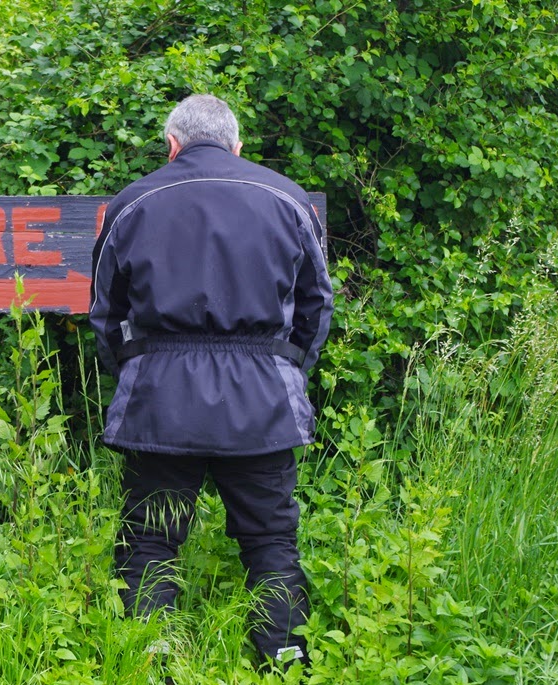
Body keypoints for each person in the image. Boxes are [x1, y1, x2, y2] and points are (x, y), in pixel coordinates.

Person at [88, 94, 333, 670]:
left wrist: (140, 371)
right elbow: (317, 311)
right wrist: (283, 370)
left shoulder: (134, 201)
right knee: (271, 541)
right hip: (263, 402)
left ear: (172, 145)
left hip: (160, 402)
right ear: (237, 145)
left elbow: (104, 313)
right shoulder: (287, 199)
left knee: (150, 542)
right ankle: (284, 664)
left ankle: (156, 667)